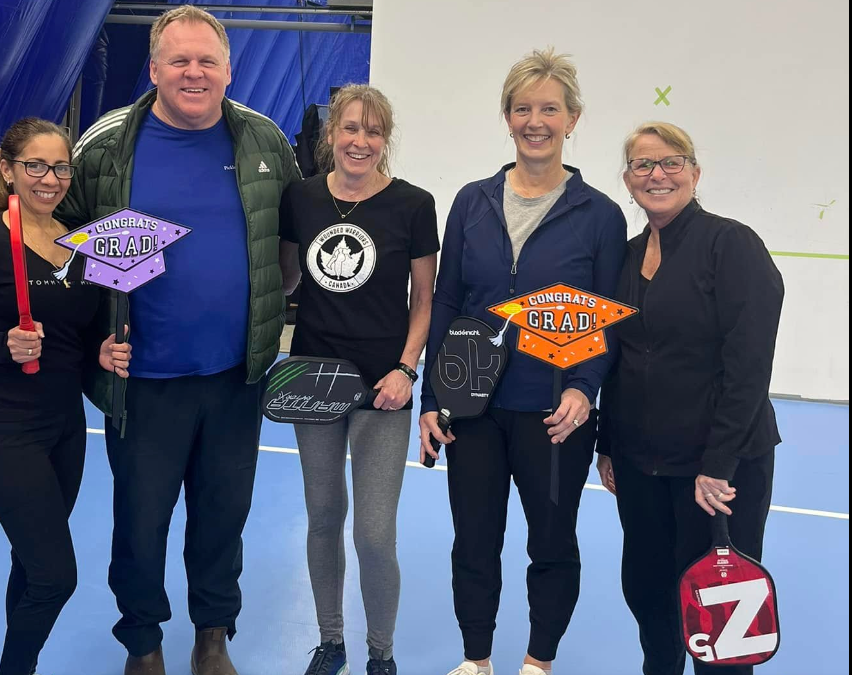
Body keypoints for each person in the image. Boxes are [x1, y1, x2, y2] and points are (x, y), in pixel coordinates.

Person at [57, 5, 300, 675]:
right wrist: (90, 346)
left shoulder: (263, 141)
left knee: (223, 515)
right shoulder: (106, 146)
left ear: (228, 69)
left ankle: (212, 633)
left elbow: (292, 234)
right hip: (143, 383)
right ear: (155, 68)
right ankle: (143, 640)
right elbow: (58, 249)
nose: (194, 72)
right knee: (140, 524)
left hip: (234, 378)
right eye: (180, 60)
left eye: (207, 61)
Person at [420, 48, 627, 675]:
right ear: (507, 118)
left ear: (573, 119)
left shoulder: (600, 215)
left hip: (554, 413)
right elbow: (447, 300)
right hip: (473, 410)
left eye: (549, 108)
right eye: (522, 108)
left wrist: (583, 388)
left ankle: (538, 661)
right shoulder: (471, 201)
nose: (535, 120)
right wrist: (433, 397)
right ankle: (475, 660)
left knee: (553, 544)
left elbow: (606, 311)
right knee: (474, 542)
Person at [0, 118, 132, 675]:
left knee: (30, 563)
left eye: (60, 166)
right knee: (55, 575)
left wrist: (102, 352)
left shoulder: (81, 241)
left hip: (66, 428)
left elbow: (81, 333)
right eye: (35, 165)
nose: (50, 178)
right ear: (10, 171)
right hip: (6, 426)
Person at [596, 122, 783, 675]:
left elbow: (748, 365)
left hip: (717, 470)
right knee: (650, 594)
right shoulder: (625, 258)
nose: (657, 175)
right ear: (628, 180)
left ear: (695, 174)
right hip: (641, 465)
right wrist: (609, 444)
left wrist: (718, 465)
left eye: (671, 162)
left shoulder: (732, 245)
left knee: (718, 615)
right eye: (642, 165)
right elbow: (616, 359)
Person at [279, 85, 439, 675]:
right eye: (350, 128)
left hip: (384, 388)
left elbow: (424, 300)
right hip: (314, 381)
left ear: (385, 140)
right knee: (323, 517)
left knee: (374, 534)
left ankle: (381, 652)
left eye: (373, 132)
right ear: (330, 136)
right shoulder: (300, 198)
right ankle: (331, 641)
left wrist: (406, 369)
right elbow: (288, 280)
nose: (360, 141)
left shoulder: (414, 205)